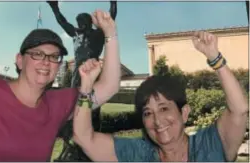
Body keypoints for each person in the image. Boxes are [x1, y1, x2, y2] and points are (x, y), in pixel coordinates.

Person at [0, 10, 120, 162]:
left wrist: (110, 32)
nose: (46, 62)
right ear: (19, 60)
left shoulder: (57, 104)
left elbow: (109, 86)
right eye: (37, 54)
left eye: (54, 57)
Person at [72, 31, 248, 161]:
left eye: (164, 108)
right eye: (148, 113)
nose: (157, 121)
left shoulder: (211, 144)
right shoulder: (136, 154)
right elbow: (84, 137)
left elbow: (239, 109)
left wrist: (214, 58)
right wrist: (87, 86)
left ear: (184, 112)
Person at [47, 0, 117, 87]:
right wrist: (54, 7)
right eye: (78, 22)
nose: (79, 24)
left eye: (82, 22)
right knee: (75, 97)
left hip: (92, 70)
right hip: (77, 73)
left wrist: (113, 3)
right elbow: (62, 22)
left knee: (91, 96)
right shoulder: (75, 33)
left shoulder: (98, 34)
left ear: (89, 22)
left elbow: (110, 18)